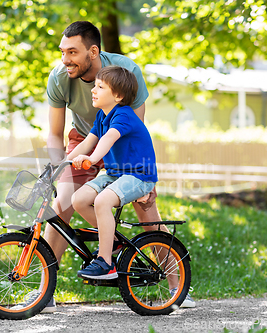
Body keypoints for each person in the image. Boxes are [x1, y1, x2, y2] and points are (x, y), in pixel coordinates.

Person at [42, 21, 195, 311]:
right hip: (85, 139)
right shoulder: (60, 77)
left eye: (72, 52)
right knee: (63, 203)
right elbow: (57, 133)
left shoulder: (125, 74)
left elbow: (132, 132)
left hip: (124, 152)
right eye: (62, 52)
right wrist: (57, 165)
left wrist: (142, 185)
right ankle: (45, 291)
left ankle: (177, 288)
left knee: (147, 212)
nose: (65, 60)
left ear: (93, 51)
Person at [68, 65, 157, 279]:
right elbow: (88, 142)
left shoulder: (124, 116)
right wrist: (62, 161)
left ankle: (106, 263)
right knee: (78, 200)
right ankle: (114, 240)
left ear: (117, 95)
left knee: (102, 201)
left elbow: (108, 139)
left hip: (139, 175)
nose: (93, 90)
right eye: (94, 85)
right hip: (116, 174)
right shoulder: (101, 116)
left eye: (100, 86)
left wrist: (91, 160)